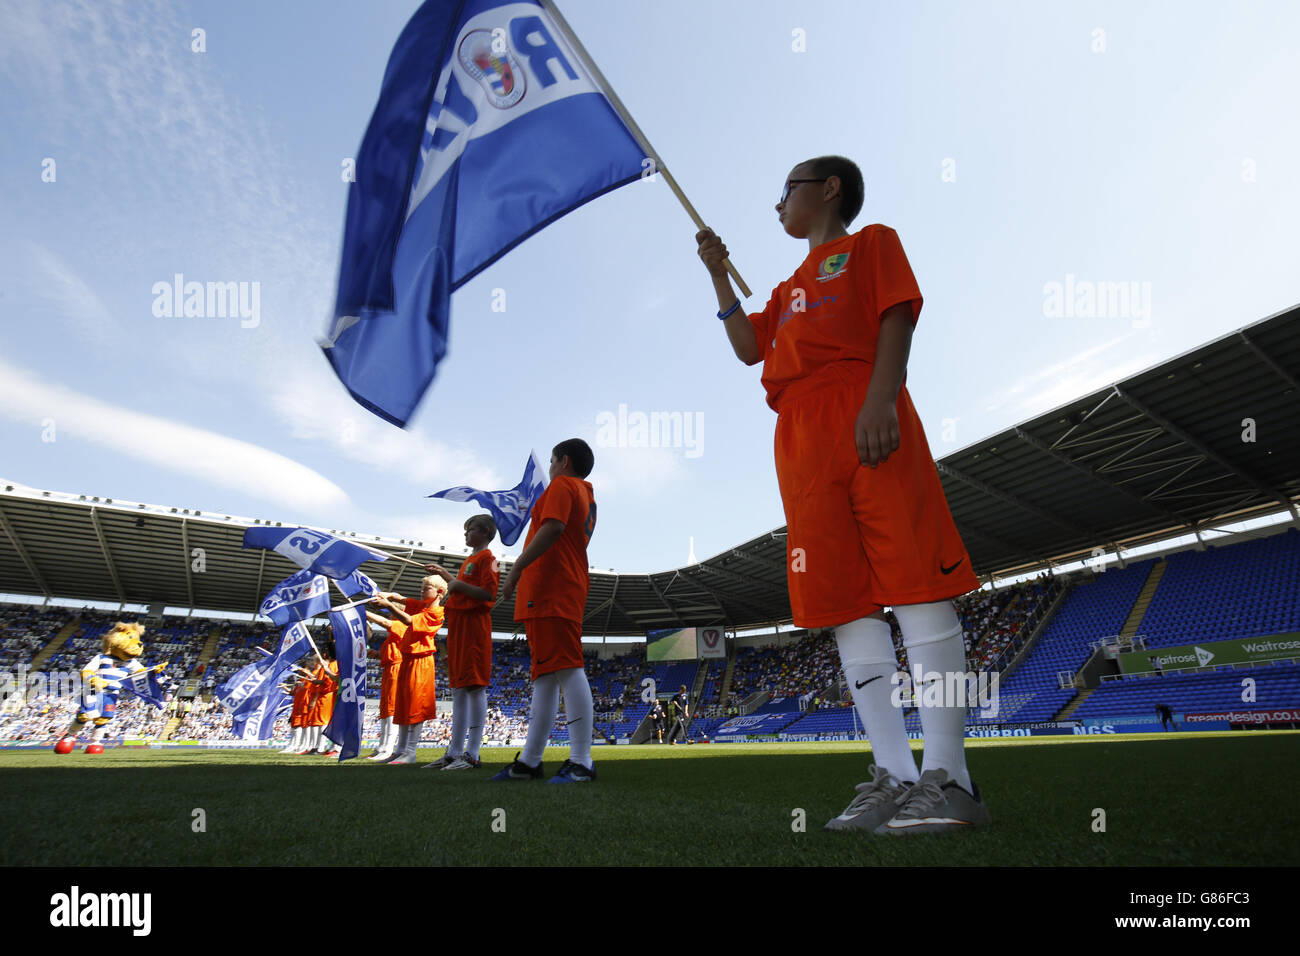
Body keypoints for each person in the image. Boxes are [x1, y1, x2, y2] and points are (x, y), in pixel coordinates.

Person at [696, 155, 988, 834]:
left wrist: (882, 397)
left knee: (914, 582)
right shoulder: (788, 283)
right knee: (844, 599)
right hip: (799, 435)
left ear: (828, 190)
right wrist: (717, 274)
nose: (778, 203)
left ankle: (952, 776)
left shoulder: (871, 242)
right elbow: (747, 347)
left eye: (787, 189)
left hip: (861, 404)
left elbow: (896, 316)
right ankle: (894, 774)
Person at [492, 439, 599, 783]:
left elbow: (552, 527)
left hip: (553, 587)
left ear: (563, 462)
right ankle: (531, 760)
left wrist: (517, 568)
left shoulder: (563, 485)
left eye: (553, 461)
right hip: (555, 588)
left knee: (567, 669)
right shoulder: (583, 492)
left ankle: (582, 761)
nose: (550, 468)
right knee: (545, 676)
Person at [423, 514, 500, 771]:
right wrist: (447, 576)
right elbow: (462, 586)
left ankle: (472, 753)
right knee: (458, 687)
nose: (466, 534)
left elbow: (488, 594)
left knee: (475, 685)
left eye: (471, 529)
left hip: (474, 627)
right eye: (466, 530)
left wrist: (454, 583)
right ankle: (454, 751)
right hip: (458, 626)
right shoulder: (469, 559)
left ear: (487, 532)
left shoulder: (489, 559)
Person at [374, 576, 448, 765]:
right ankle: (400, 750)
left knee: (415, 706)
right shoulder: (422, 605)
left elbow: (407, 619)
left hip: (420, 661)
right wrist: (391, 595)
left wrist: (388, 605)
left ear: (439, 593)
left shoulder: (436, 612)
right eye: (422, 587)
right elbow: (403, 599)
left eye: (427, 588)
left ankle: (410, 751)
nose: (422, 591)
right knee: (403, 705)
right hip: (408, 659)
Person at [363, 610, 406, 761]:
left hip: (396, 668)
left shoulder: (400, 625)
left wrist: (366, 613)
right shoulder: (392, 634)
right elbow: (389, 653)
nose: (389, 616)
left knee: (391, 708)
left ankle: (387, 748)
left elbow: (385, 623)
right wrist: (376, 653)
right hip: (389, 669)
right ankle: (381, 747)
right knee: (385, 708)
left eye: (391, 612)